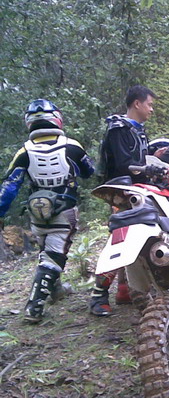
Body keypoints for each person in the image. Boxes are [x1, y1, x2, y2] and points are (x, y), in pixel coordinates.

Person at [0, 99, 95, 323]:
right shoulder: (72, 146)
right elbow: (89, 171)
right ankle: (34, 308)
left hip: (37, 213)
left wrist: (1, 213)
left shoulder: (24, 151)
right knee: (53, 257)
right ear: (57, 118)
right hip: (65, 210)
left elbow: (10, 186)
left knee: (47, 252)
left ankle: (57, 290)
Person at [89, 85, 157, 316]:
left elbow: (139, 160)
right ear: (137, 103)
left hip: (139, 191)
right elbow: (123, 165)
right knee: (120, 240)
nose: (151, 109)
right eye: (149, 104)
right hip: (123, 194)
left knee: (136, 239)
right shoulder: (118, 130)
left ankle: (125, 289)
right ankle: (98, 295)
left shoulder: (137, 130)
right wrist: (147, 168)